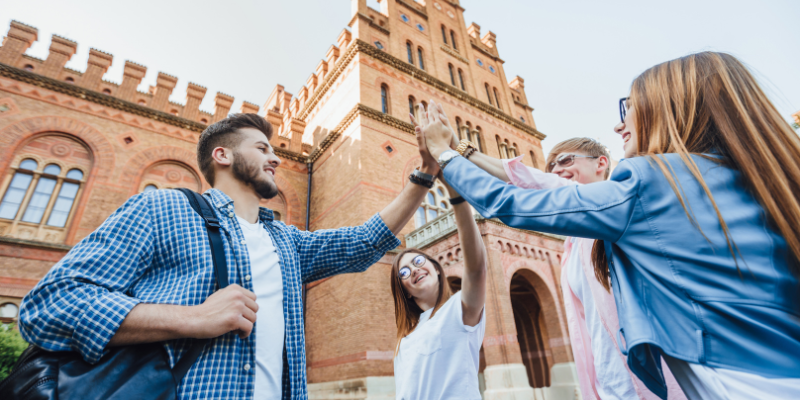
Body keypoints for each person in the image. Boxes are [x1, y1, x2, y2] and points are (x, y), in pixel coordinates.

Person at [418, 51, 800, 399]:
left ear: (669, 107)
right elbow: (533, 180)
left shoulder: (650, 181)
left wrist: (445, 154)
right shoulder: (757, 179)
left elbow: (512, 201)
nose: (619, 127)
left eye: (628, 107)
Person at [18, 113, 441, 399]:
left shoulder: (287, 242)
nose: (275, 157)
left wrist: (424, 173)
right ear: (222, 155)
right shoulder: (163, 208)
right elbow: (49, 305)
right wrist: (191, 318)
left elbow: (365, 241)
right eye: (261, 148)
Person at [413, 104, 684, 399]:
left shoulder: (621, 204)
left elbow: (533, 187)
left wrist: (450, 152)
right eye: (551, 165)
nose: (556, 170)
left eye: (566, 160)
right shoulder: (573, 243)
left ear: (601, 164)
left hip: (654, 385)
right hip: (612, 387)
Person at [391, 104, 487, 400]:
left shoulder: (460, 311)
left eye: (418, 261)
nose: (414, 270)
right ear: (405, 290)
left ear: (436, 267)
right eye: (404, 273)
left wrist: (454, 191)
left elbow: (475, 268)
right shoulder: (405, 340)